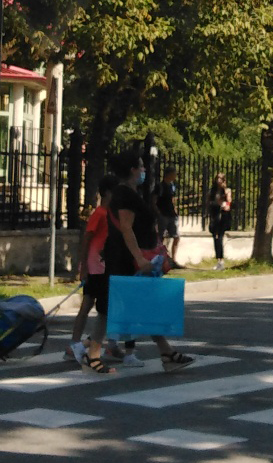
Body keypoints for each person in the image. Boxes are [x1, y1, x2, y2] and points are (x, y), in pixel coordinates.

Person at [92, 149, 194, 374]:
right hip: (126, 260)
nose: (144, 170)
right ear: (132, 170)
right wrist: (139, 257)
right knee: (111, 308)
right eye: (141, 166)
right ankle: (91, 355)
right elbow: (126, 227)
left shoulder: (129, 192)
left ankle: (166, 352)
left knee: (138, 306)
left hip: (129, 259)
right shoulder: (124, 194)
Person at [67, 174, 127, 363]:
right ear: (108, 193)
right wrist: (83, 266)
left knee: (101, 306)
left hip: (104, 267)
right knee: (89, 306)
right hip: (95, 268)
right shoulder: (100, 214)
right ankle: (77, 343)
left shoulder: (111, 215)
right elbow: (87, 238)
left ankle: (97, 343)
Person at [156, 165, 182, 266]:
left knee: (176, 236)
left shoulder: (172, 186)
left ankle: (173, 260)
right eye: (174, 173)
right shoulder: (160, 186)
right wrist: (159, 213)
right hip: (163, 214)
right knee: (161, 237)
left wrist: (175, 210)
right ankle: (160, 259)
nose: (175, 175)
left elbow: (172, 199)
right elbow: (154, 200)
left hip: (171, 214)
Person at [207, 172, 232, 270]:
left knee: (220, 236)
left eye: (221, 178)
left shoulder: (227, 190)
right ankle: (218, 259)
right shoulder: (212, 191)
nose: (219, 180)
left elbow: (229, 202)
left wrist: (225, 192)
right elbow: (208, 202)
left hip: (223, 215)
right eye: (217, 178)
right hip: (214, 214)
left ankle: (221, 260)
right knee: (215, 237)